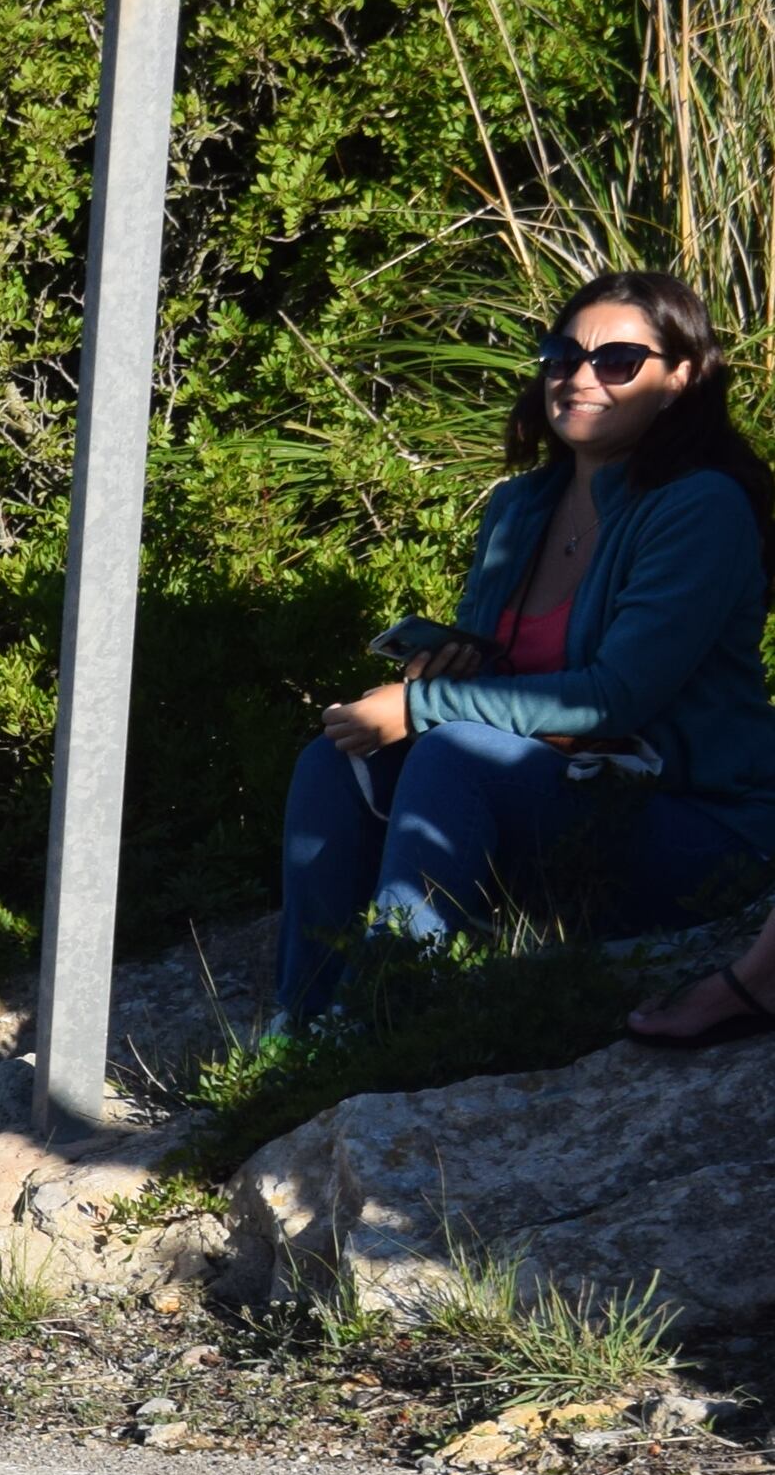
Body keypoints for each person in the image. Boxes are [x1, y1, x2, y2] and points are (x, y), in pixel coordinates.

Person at [285, 270, 775, 1028]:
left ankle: (384, 1018)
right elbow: (514, 678)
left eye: (617, 360)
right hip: (566, 791)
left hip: (695, 826)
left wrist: (424, 705)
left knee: (453, 752)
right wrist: (457, 666)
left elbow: (611, 699)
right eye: (562, 356)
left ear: (679, 379)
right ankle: (302, 1022)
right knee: (336, 759)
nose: (579, 377)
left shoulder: (700, 507)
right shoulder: (524, 507)